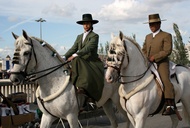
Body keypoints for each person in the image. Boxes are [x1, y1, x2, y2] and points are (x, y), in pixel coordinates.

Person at [64, 13, 104, 103]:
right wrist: (64, 56)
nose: (86, 25)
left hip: (91, 61)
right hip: (81, 60)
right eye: (84, 24)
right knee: (73, 62)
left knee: (76, 59)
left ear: (91, 24)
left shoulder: (94, 36)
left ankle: (82, 87)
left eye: (88, 23)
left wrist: (75, 55)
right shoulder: (79, 37)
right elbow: (73, 48)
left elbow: (88, 48)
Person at [142, 13, 175, 115]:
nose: (152, 26)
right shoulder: (147, 37)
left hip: (161, 62)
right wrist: (144, 57)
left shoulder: (166, 35)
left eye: (154, 24)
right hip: (148, 62)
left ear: (159, 24)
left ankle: (170, 105)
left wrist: (155, 57)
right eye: (150, 24)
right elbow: (144, 49)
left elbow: (167, 50)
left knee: (165, 79)